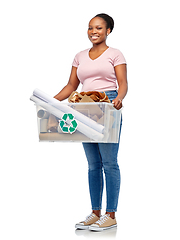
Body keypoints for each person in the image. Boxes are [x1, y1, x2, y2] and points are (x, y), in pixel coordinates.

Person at [54, 13, 128, 231]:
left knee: (109, 162)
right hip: (84, 107)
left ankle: (110, 214)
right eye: (90, 28)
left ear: (108, 31)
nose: (93, 32)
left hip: (107, 104)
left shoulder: (115, 54)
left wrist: (119, 98)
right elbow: (71, 85)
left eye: (98, 28)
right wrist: (50, 100)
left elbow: (123, 82)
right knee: (93, 164)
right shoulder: (79, 56)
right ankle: (95, 213)